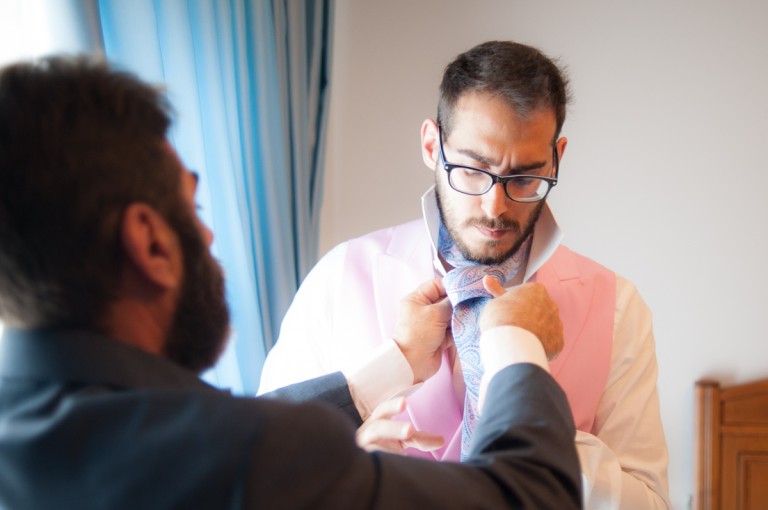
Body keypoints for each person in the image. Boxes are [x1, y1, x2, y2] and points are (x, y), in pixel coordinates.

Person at [0, 55, 583, 509]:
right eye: (194, 210)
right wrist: (514, 342)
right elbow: (531, 499)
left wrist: (399, 360)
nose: (207, 238)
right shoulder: (231, 454)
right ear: (150, 242)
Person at [259, 40, 672, 509]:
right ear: (432, 145)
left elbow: (652, 503)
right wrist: (343, 470)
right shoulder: (338, 279)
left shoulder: (617, 307)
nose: (496, 206)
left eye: (524, 177)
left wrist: (537, 419)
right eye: (473, 170)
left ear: (556, 158)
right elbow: (252, 470)